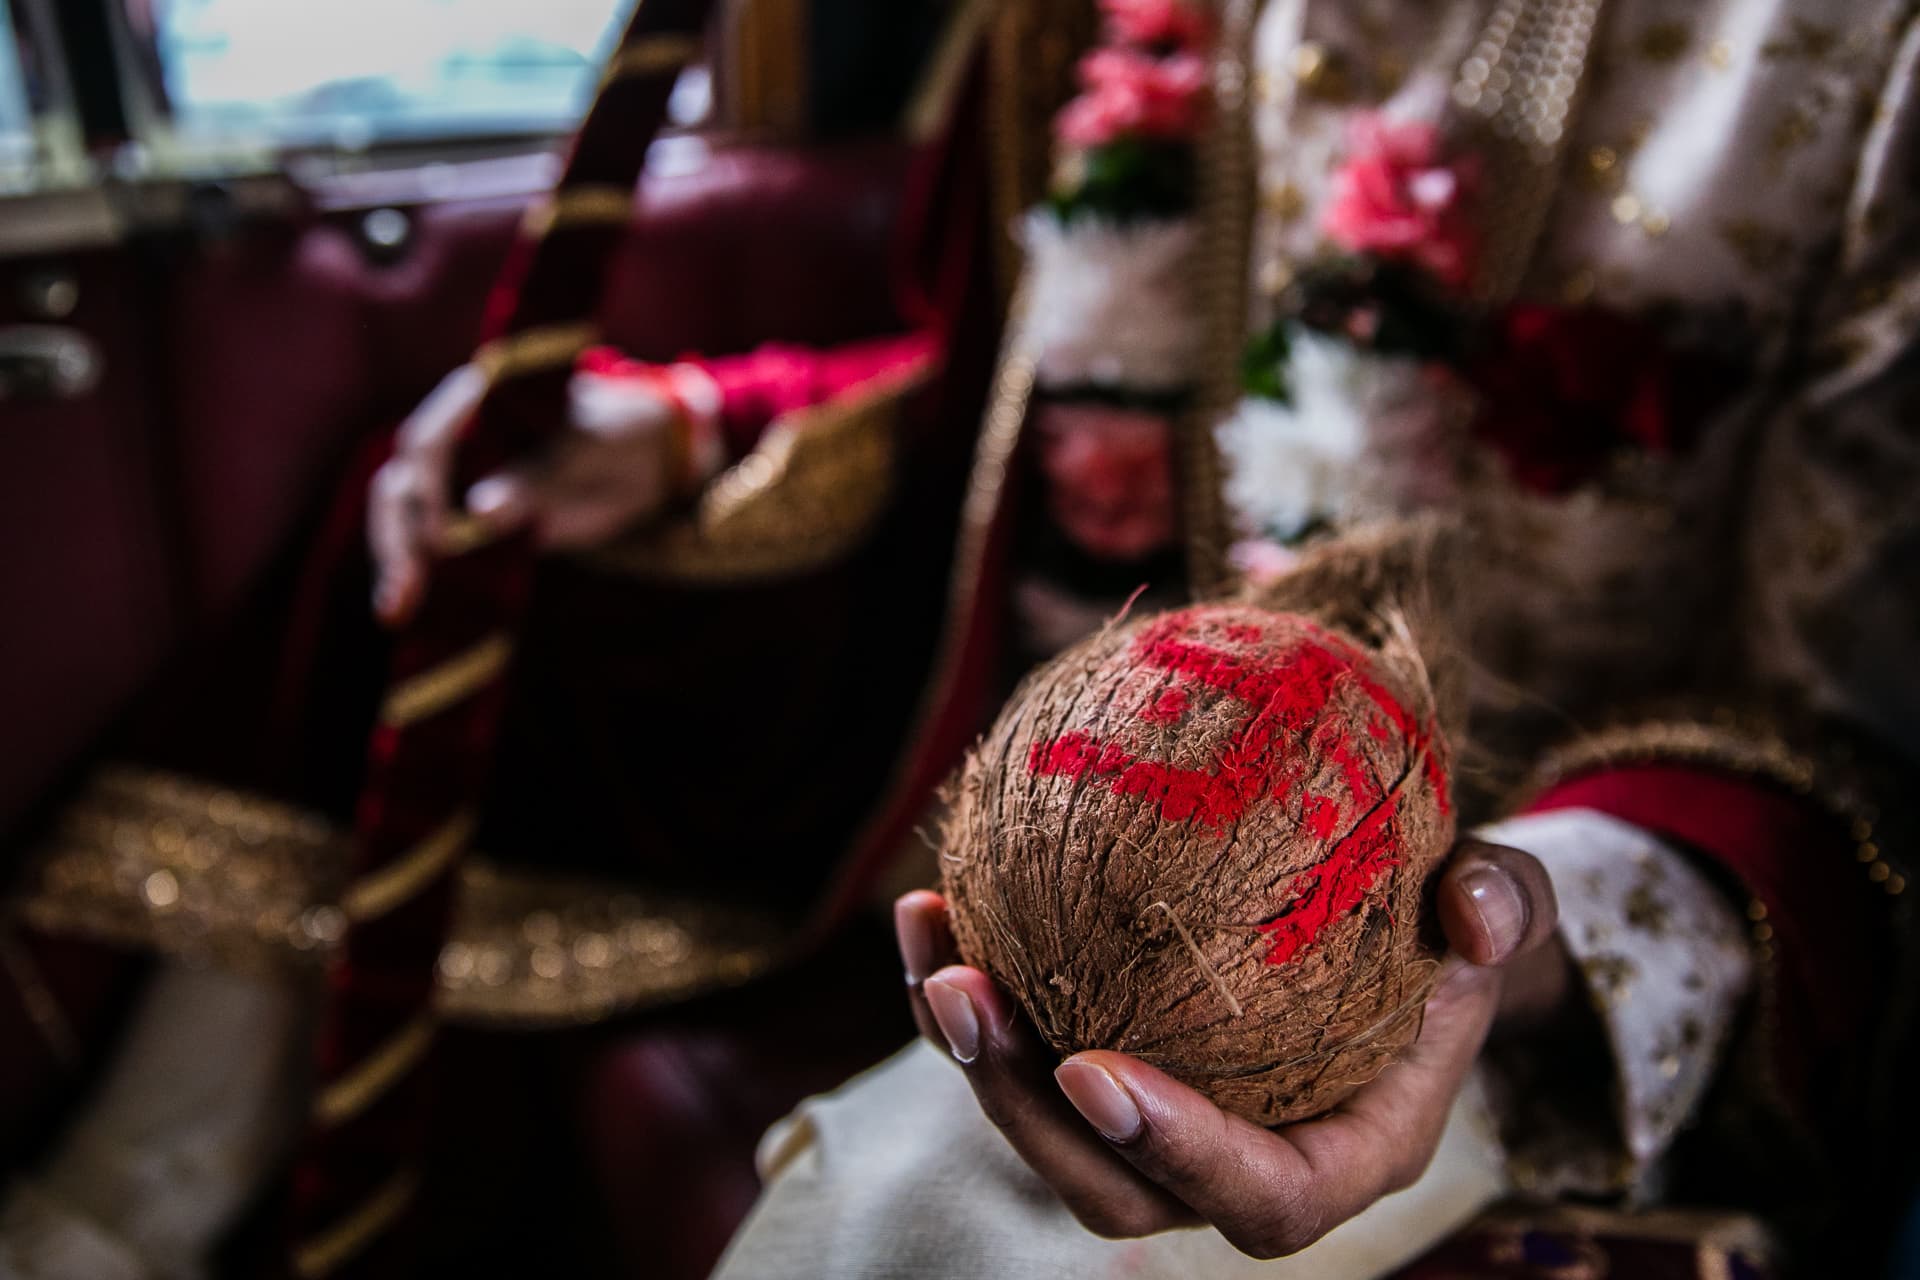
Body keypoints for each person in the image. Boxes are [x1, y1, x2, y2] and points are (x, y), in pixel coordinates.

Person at [705, 0, 1920, 1276]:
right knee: (891, 1200)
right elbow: (1002, 399)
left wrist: (1486, 943)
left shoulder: (1855, 53)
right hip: (1076, 859)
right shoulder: (1093, 20)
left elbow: (1852, 741)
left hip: (1524, 968)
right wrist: (706, 426)